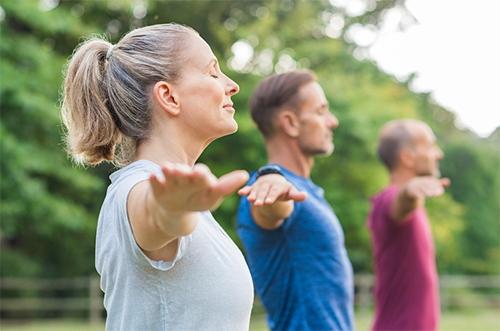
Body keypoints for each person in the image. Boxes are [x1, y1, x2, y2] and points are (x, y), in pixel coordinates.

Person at [61, 23, 254, 330]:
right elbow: (153, 215)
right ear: (169, 96)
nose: (232, 85)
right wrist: (172, 209)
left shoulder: (185, 200)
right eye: (212, 72)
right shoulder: (136, 189)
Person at [236, 70, 355, 331]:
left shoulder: (307, 190)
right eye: (321, 111)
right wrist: (271, 182)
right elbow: (272, 207)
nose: (332, 121)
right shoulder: (266, 189)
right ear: (290, 123)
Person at [367, 119, 450, 331]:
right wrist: (409, 190)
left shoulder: (415, 207)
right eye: (431, 145)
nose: (438, 153)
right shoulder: (388, 199)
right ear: (408, 157)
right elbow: (400, 202)